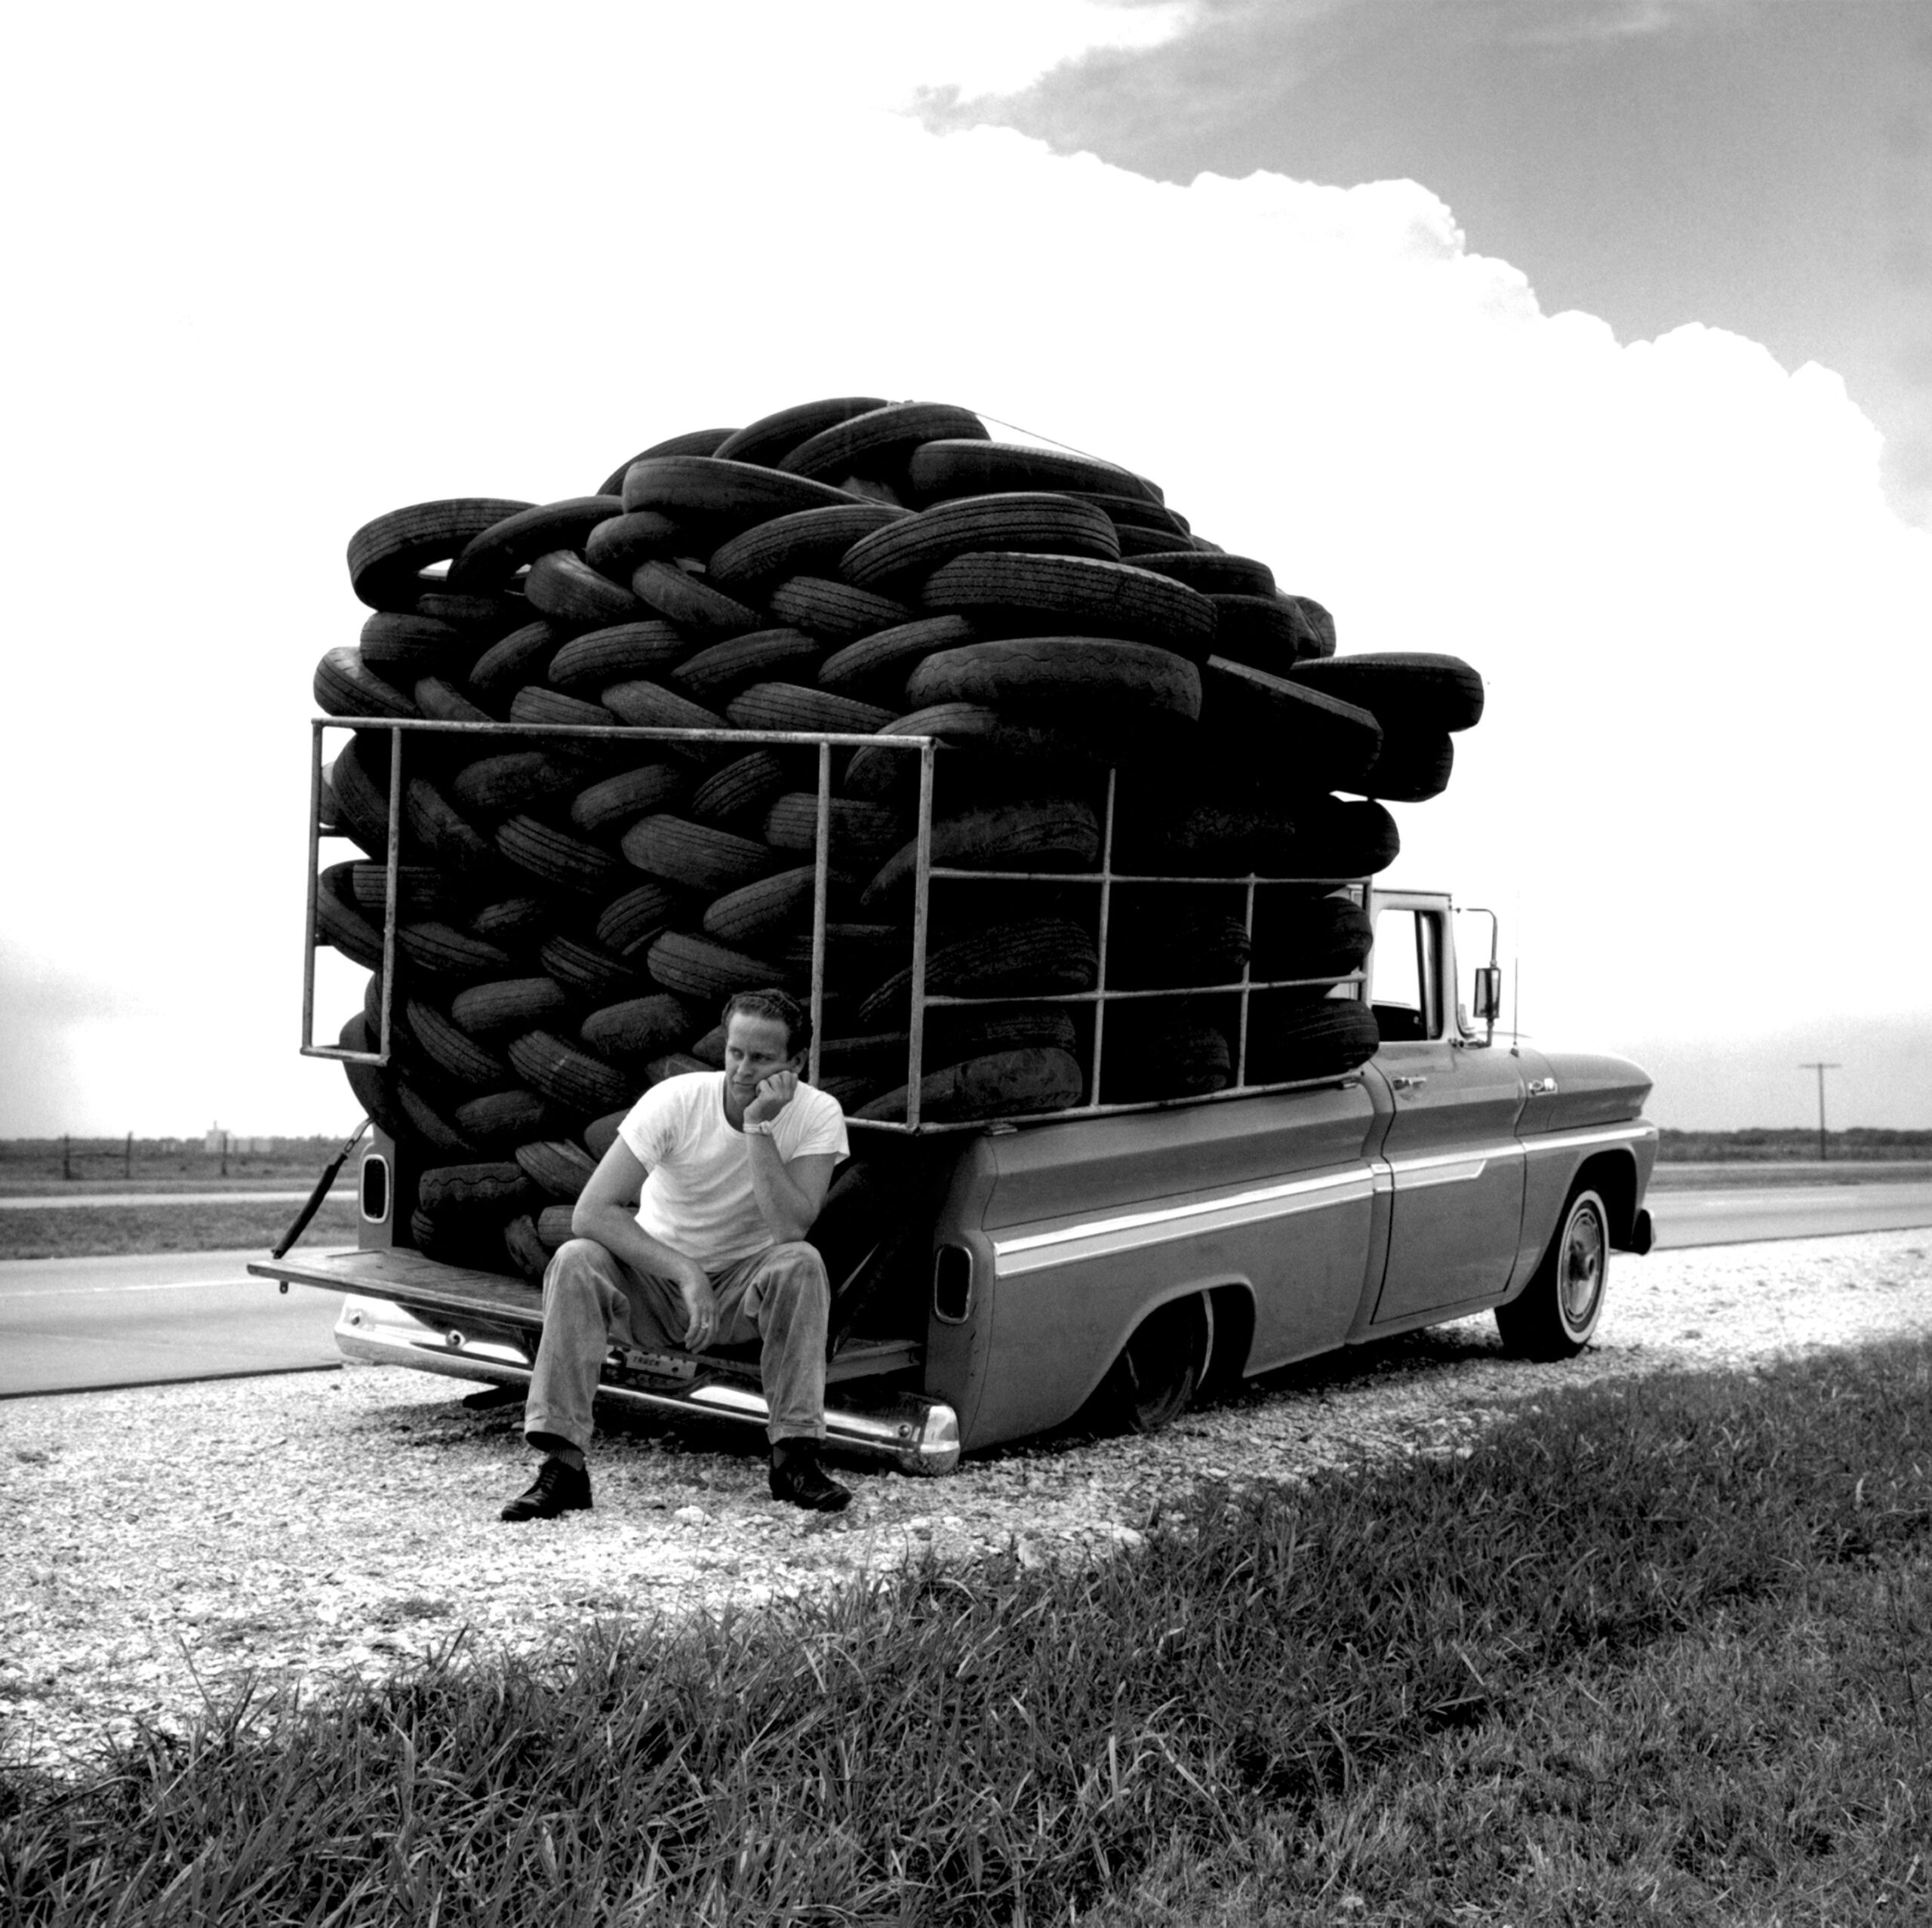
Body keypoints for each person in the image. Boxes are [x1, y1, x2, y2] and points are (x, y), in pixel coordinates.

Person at [501, 987, 854, 1521]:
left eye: (760, 1058)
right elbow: (592, 1211)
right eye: (735, 1052)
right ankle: (564, 1465)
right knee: (576, 1257)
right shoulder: (678, 1100)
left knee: (803, 1262)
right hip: (655, 1282)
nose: (741, 1069)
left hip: (741, 1290)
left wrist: (759, 1126)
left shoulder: (818, 1113)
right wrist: (684, 1270)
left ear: (796, 1062)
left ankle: (794, 1459)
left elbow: (790, 1226)